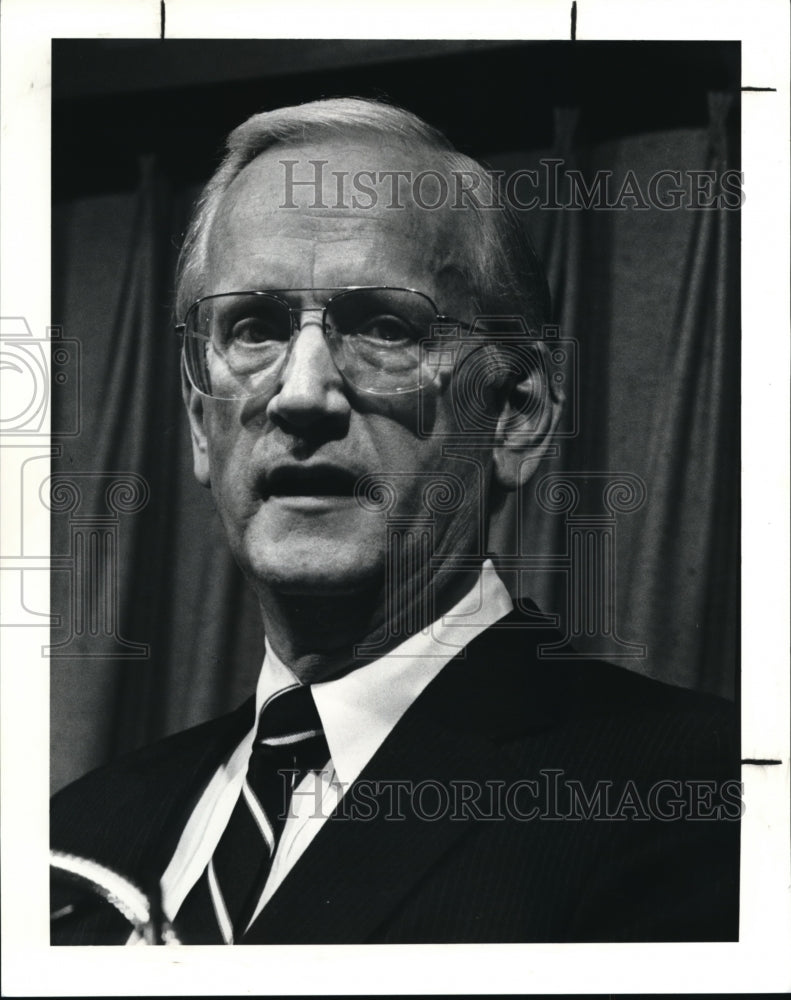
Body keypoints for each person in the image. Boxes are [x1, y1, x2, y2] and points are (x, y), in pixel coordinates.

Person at [50, 97, 739, 945]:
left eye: (383, 326)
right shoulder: (75, 835)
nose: (300, 394)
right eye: (254, 328)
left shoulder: (696, 793)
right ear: (201, 423)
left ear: (515, 411)